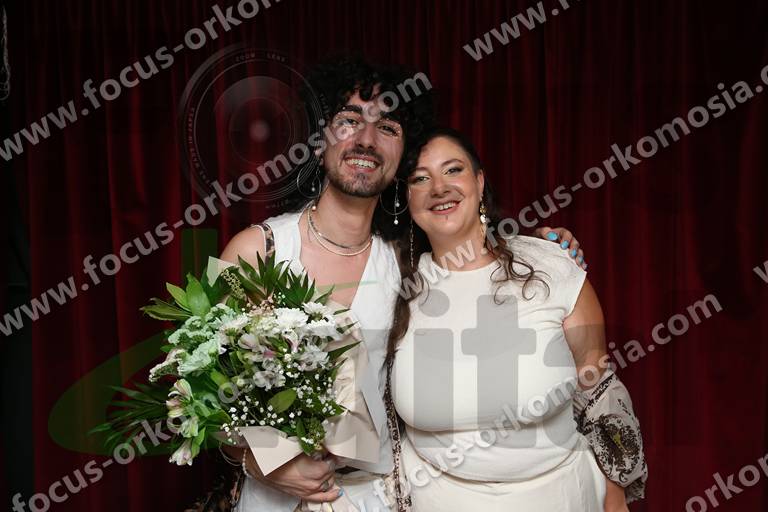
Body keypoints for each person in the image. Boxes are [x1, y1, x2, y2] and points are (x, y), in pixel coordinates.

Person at [212, 57, 589, 511]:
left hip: (379, 496)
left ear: (400, 158)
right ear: (316, 142)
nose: (366, 140)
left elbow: (478, 254)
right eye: (349, 120)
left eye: (387, 127)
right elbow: (205, 390)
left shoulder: (407, 264)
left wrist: (547, 248)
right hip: (276, 498)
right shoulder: (256, 249)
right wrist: (262, 461)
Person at [388, 128, 647, 511]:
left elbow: (598, 389)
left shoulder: (550, 265)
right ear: (407, 199)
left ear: (479, 182)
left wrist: (615, 495)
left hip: (563, 497)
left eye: (453, 170)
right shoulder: (395, 286)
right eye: (420, 178)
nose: (439, 188)